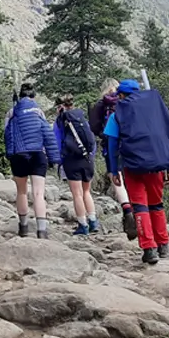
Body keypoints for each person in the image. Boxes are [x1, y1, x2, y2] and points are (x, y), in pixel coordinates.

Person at [102, 79, 169, 265]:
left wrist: (113, 170)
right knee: (156, 204)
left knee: (140, 206)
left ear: (121, 95)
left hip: (132, 166)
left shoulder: (117, 115)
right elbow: (167, 136)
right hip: (157, 165)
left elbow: (112, 145)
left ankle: (149, 249)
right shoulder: (156, 112)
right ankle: (163, 245)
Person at [4, 84, 60, 238]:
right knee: (38, 193)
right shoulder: (38, 112)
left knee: (21, 191)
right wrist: (53, 157)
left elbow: (7, 133)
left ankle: (23, 228)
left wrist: (10, 154)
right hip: (37, 154)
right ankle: (42, 231)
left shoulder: (12, 112)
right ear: (33, 96)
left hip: (19, 154)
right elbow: (47, 134)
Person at [91, 79, 136, 239]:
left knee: (115, 176)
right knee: (132, 177)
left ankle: (127, 209)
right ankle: (137, 208)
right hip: (131, 145)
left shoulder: (100, 104)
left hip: (110, 145)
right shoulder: (128, 101)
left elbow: (94, 127)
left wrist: (103, 135)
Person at [54, 95, 98, 235]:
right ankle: (93, 221)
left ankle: (83, 225)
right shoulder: (81, 118)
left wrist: (59, 161)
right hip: (87, 159)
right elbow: (91, 140)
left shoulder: (61, 122)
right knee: (86, 191)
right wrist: (90, 155)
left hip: (71, 160)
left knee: (77, 194)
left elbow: (58, 141)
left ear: (60, 107)